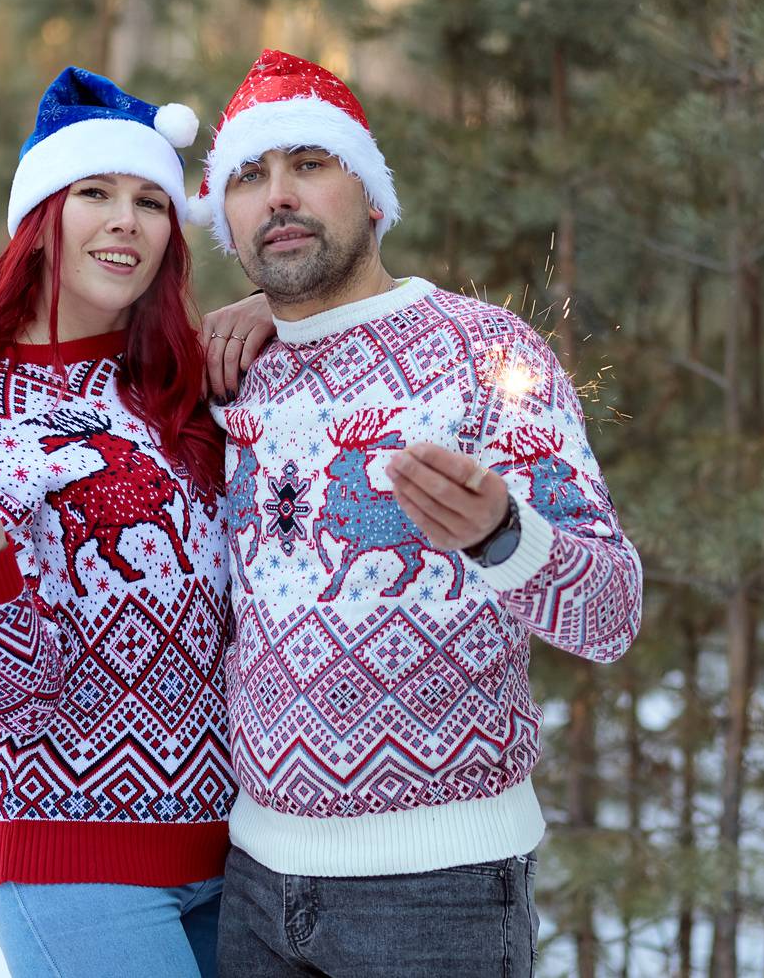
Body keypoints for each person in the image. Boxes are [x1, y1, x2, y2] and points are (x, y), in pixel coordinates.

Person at [188, 49, 646, 976]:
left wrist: (503, 535)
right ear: (224, 219)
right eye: (248, 176)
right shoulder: (232, 372)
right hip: (253, 890)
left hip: (440, 894)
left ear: (373, 195)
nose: (279, 195)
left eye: (309, 164)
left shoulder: (486, 354)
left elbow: (611, 613)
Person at [0, 67, 243, 978]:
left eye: (151, 202)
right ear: (41, 218)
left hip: (240, 849)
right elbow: (9, 700)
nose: (127, 221)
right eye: (95, 194)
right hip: (71, 854)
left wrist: (269, 314)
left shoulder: (184, 386)